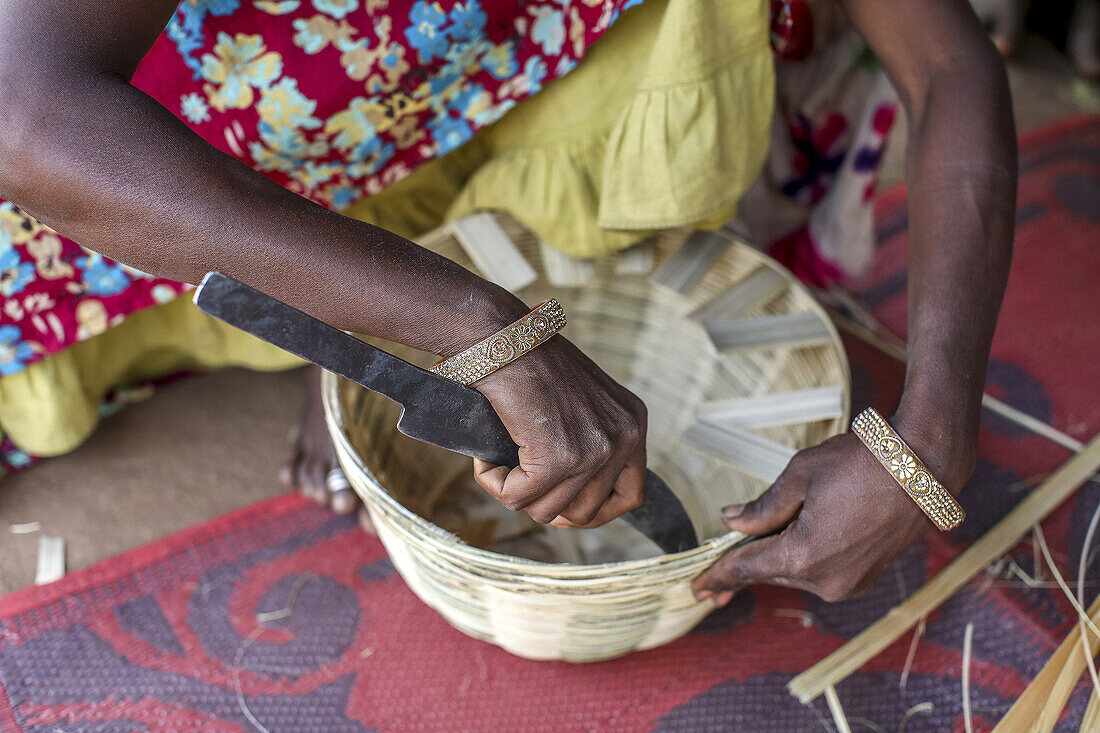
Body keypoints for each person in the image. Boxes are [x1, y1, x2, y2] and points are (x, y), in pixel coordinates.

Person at [0, 0, 1015, 603]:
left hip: (504, 63)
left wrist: (930, 436)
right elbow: (27, 119)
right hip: (230, 103)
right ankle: (361, 285)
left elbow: (944, 61)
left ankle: (403, 276)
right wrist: (477, 325)